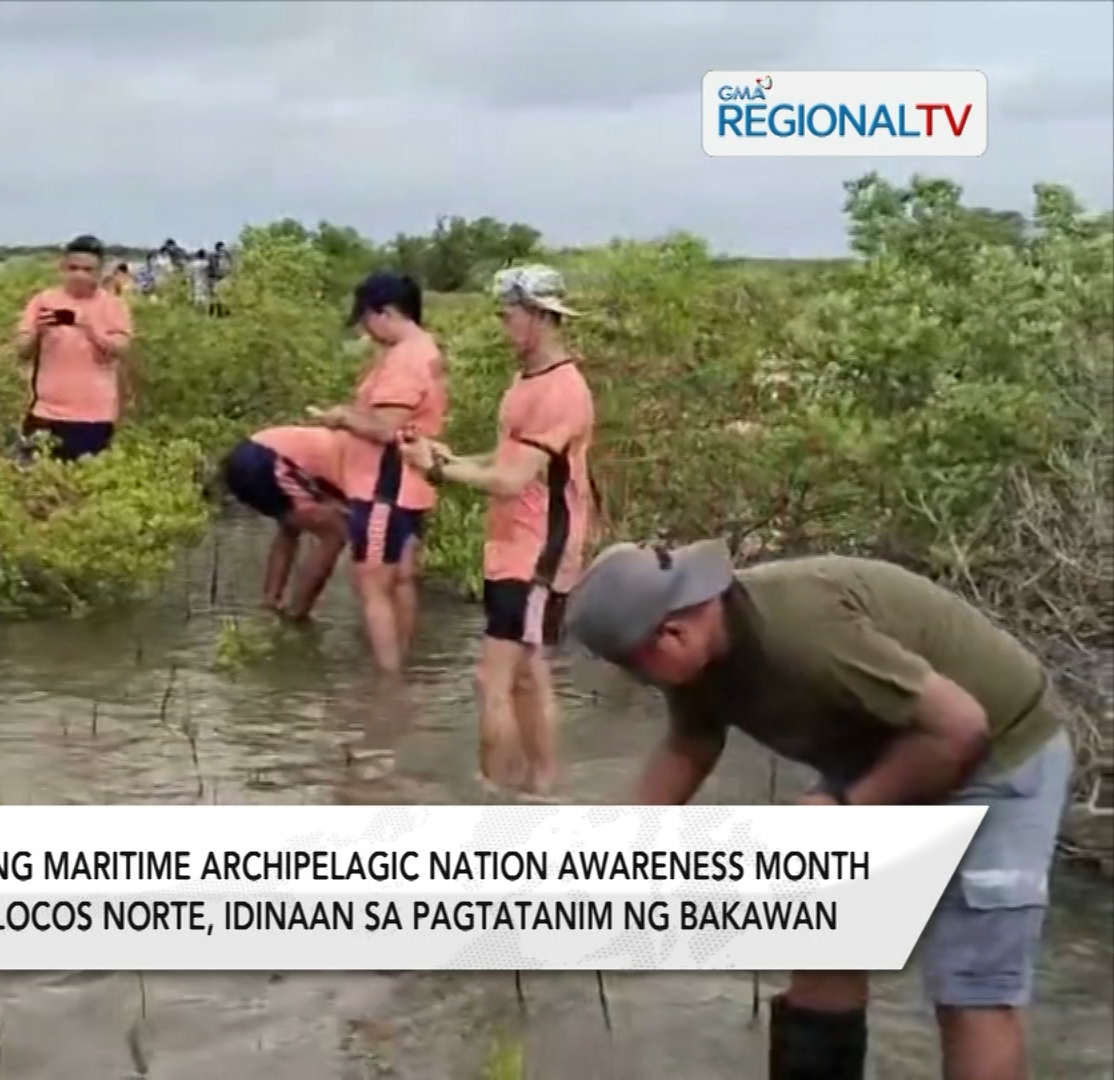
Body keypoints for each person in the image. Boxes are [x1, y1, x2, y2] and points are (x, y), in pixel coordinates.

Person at [564, 540, 1074, 1080]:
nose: (638, 681)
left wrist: (845, 805)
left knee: (971, 989)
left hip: (996, 753)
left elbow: (961, 729)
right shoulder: (699, 657)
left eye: (634, 667)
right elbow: (691, 743)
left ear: (674, 631)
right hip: (884, 749)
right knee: (825, 950)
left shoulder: (798, 633)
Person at [399, 265, 594, 795]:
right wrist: (451, 456)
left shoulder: (561, 390)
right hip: (513, 542)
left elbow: (510, 480)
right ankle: (540, 792)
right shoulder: (526, 379)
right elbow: (510, 456)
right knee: (528, 672)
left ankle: (494, 797)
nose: (502, 326)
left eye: (508, 316)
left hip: (537, 551)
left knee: (493, 680)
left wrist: (435, 469)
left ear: (538, 316)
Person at [308, 271, 448, 674]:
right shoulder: (426, 348)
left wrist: (340, 418)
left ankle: (387, 688)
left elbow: (386, 428)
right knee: (401, 579)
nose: (367, 330)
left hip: (385, 489)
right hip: (411, 487)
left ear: (385, 313)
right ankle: (399, 668)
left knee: (373, 586)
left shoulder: (405, 359)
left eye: (368, 319)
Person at [13, 235, 134, 462]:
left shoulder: (112, 305)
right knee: (32, 479)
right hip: (45, 412)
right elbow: (22, 351)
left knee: (85, 483)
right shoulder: (43, 301)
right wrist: (37, 331)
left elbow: (121, 350)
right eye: (73, 268)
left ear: (99, 272)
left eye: (88, 270)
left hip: (93, 416)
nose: (79, 275)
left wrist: (88, 327)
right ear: (62, 268)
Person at [218, 425, 348, 620]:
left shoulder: (349, 445)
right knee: (335, 534)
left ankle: (270, 603)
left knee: (290, 526)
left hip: (245, 455)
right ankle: (297, 615)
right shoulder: (368, 467)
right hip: (269, 460)